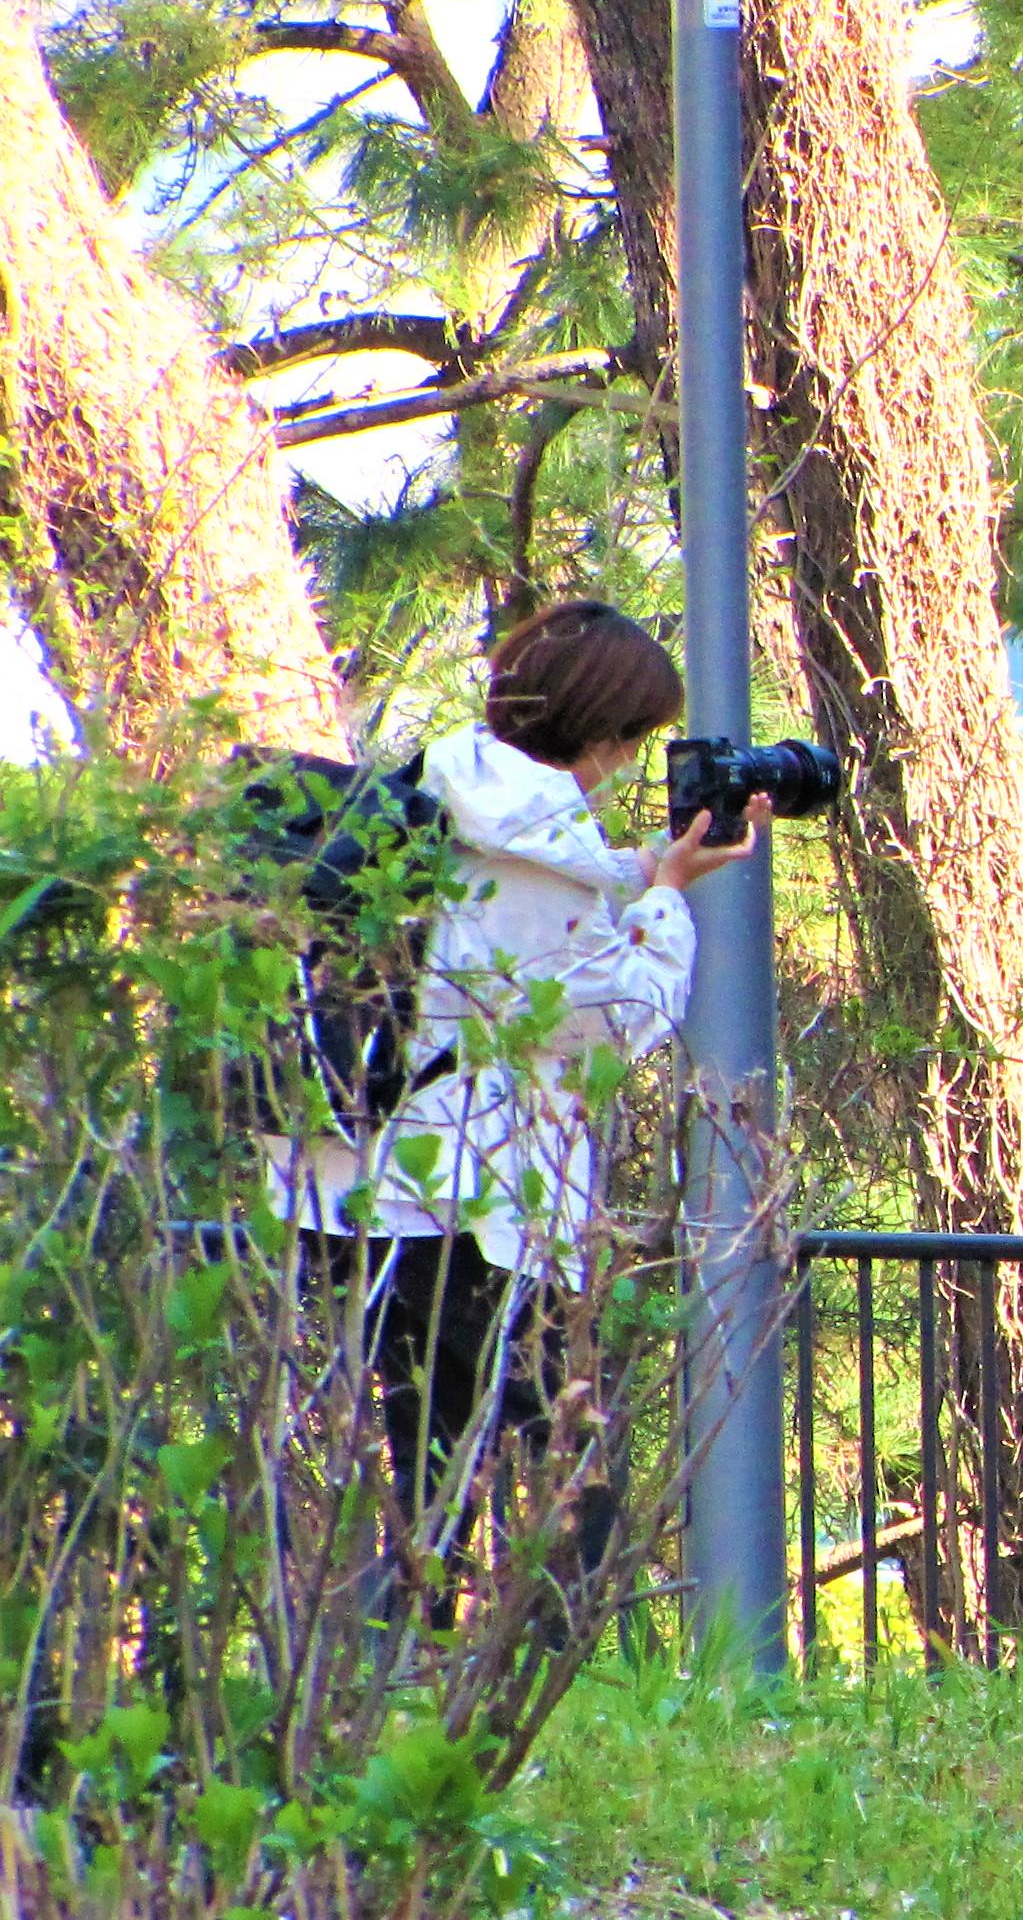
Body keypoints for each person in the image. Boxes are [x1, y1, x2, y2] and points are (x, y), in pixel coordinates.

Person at [265, 599, 764, 1610]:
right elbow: (610, 1020)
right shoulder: (541, 839)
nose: (632, 760)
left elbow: (508, 934)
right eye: (637, 738)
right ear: (606, 731)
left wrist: (644, 870)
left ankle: (401, 1650)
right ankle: (546, 1656)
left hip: (355, 1185)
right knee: (561, 1458)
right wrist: (667, 902)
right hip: (472, 1201)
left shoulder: (447, 786)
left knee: (427, 1458)